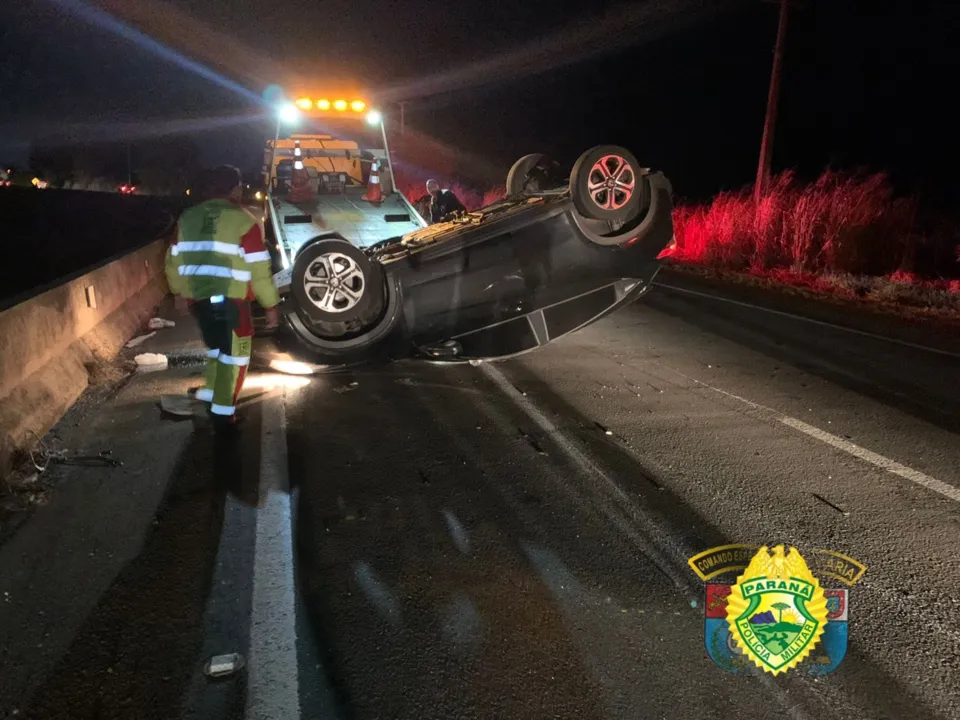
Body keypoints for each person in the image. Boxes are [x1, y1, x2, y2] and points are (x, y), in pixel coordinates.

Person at [165, 165, 280, 426]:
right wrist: (270, 304)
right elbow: (259, 268)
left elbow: (172, 260)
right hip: (233, 302)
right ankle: (223, 411)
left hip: (199, 302)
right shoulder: (243, 220)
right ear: (235, 189)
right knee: (236, 355)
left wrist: (178, 292)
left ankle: (210, 391)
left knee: (217, 347)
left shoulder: (188, 218)